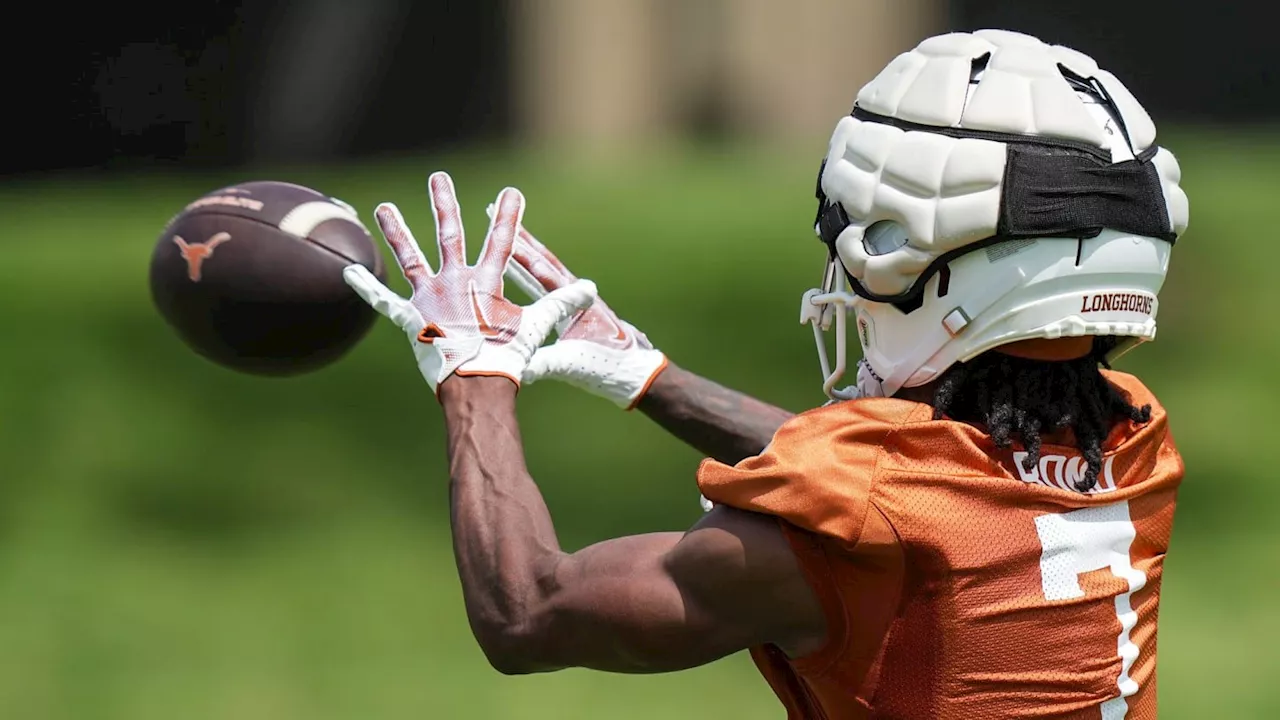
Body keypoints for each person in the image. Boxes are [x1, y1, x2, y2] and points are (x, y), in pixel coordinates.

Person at [341, 29, 1188, 720]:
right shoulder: (1134, 441)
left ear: (951, 281)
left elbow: (527, 614)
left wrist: (474, 378)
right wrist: (650, 376)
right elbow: (896, 492)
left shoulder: (851, 526)